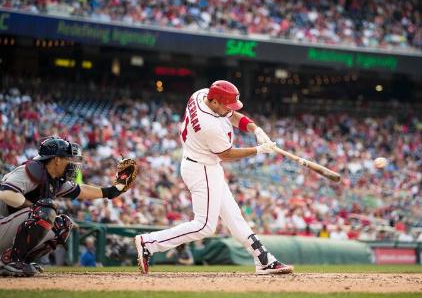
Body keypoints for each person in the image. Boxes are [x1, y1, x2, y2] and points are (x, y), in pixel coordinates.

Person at [135, 80, 293, 275]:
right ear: (215, 102)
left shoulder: (203, 94)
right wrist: (258, 150)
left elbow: (232, 115)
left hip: (204, 164)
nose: (229, 109)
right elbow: (226, 154)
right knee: (204, 226)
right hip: (201, 168)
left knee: (234, 217)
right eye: (226, 105)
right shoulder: (208, 125)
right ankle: (149, 243)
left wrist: (255, 129)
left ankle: (264, 260)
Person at [0, 137, 132, 276]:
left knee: (62, 225)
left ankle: (20, 261)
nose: (72, 163)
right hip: (3, 223)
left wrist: (112, 191)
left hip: (8, 229)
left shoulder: (53, 179)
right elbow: (5, 193)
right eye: (68, 158)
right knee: (45, 210)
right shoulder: (31, 170)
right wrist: (33, 207)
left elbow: (82, 190)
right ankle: (12, 260)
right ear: (56, 159)